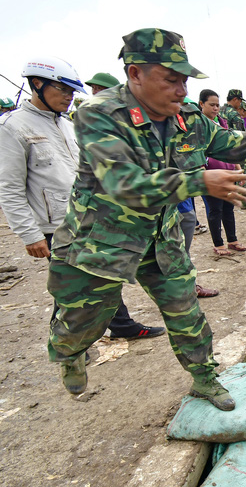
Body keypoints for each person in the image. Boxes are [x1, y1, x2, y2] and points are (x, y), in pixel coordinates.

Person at [45, 28, 246, 409]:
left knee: (185, 310)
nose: (182, 90)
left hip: (159, 236)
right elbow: (122, 183)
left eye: (184, 80)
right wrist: (199, 180)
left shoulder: (188, 119)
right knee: (85, 320)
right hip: (102, 240)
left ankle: (204, 378)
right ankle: (69, 352)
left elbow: (236, 142)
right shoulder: (99, 116)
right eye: (171, 79)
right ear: (135, 74)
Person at [0, 55, 164, 344]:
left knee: (105, 277)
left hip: (88, 217)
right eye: (63, 90)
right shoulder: (13, 128)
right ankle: (66, 345)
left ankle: (121, 324)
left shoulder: (66, 124)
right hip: (56, 226)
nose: (69, 97)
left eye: (72, 91)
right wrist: (30, 235)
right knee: (71, 289)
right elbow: (9, 188)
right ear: (37, 84)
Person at [198, 89, 246, 256]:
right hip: (212, 175)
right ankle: (218, 244)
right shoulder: (198, 125)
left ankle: (232, 240)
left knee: (228, 207)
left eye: (218, 105)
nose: (215, 108)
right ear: (201, 104)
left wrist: (238, 169)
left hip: (228, 172)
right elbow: (196, 152)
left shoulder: (222, 122)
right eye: (212, 105)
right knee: (215, 210)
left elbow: (231, 148)